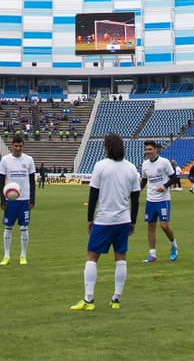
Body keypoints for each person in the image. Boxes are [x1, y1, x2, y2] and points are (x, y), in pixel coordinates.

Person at [71, 133, 141, 311]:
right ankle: (116, 299)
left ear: (108, 148)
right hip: (123, 220)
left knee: (92, 257)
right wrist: (132, 221)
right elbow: (136, 198)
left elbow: (93, 194)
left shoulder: (100, 166)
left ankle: (88, 300)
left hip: (104, 220)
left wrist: (89, 219)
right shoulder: (132, 168)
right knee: (121, 258)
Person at [0, 135, 36, 266]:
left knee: (24, 227)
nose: (18, 148)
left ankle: (23, 255)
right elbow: (1, 182)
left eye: (20, 146)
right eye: (16, 146)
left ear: (23, 146)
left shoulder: (29, 160)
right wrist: (2, 200)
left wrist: (32, 199)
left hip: (24, 199)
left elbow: (32, 181)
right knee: (8, 227)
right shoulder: (5, 160)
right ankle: (6, 255)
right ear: (12, 146)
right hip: (10, 200)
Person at [139, 140, 179, 263]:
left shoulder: (164, 162)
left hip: (163, 199)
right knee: (151, 226)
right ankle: (152, 254)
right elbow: (144, 180)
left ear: (156, 149)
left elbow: (174, 178)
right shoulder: (145, 164)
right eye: (146, 149)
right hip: (150, 199)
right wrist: (139, 189)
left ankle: (174, 245)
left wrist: (165, 186)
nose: (148, 152)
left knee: (164, 225)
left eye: (150, 149)